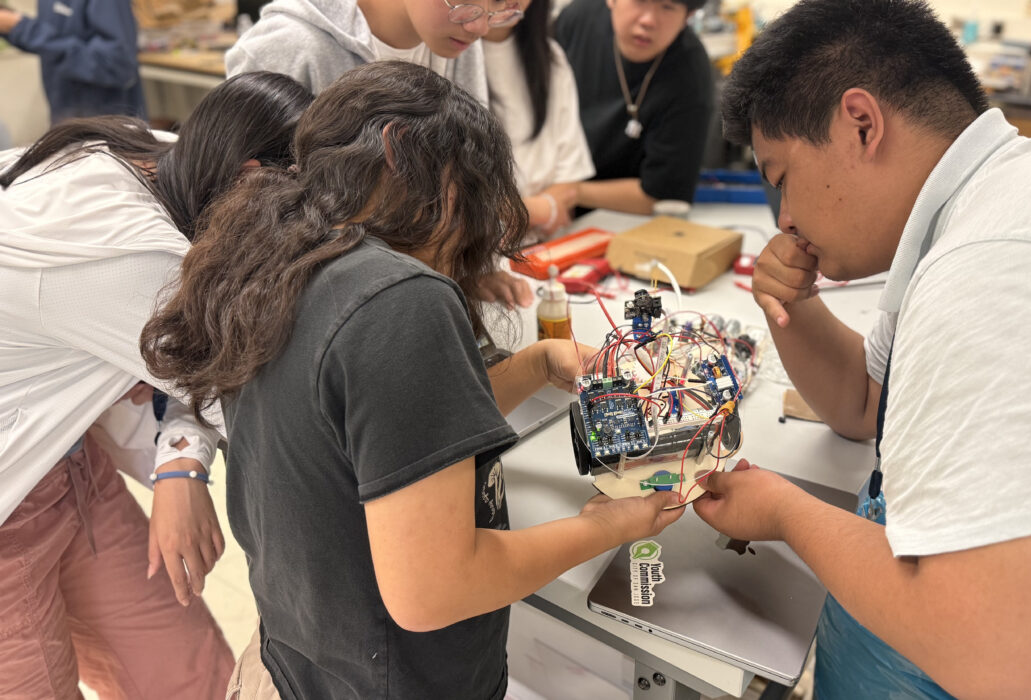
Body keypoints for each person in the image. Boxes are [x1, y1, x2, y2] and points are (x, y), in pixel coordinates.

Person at [692, 1, 1031, 698]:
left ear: (861, 123)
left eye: (781, 179)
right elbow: (869, 403)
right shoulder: (989, 209)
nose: (784, 219)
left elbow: (1000, 657)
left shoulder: (1005, 270)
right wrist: (797, 309)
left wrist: (784, 512)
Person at [140, 60, 684, 700]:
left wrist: (536, 362)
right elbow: (435, 590)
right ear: (449, 190)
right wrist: (610, 526)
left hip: (295, 660)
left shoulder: (272, 256)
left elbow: (387, 434)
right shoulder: (400, 299)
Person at [0, 72, 313, 700]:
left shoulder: (155, 155)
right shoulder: (134, 257)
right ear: (254, 177)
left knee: (188, 674)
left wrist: (178, 465)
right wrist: (184, 461)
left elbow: (211, 369)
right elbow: (251, 396)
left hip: (71, 469)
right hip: (11, 512)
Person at [226, 0, 535, 307]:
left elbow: (470, 171)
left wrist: (473, 267)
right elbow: (256, 218)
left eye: (501, 10)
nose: (479, 27)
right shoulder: (290, 46)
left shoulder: (456, 37)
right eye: (465, 3)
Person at [555, 0, 712, 215]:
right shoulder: (577, 19)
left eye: (667, 7)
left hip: (622, 217)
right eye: (639, 1)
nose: (648, 20)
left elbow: (660, 196)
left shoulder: (690, 78)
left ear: (687, 17)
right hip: (547, 191)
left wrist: (570, 192)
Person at [482, 0, 594, 237]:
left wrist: (532, 210)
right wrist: (536, 210)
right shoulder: (445, 54)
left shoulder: (551, 58)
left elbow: (569, 183)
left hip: (542, 249)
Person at [0, 0, 144, 122]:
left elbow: (117, 66)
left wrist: (22, 28)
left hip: (108, 127)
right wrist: (12, 27)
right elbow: (48, 44)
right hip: (66, 118)